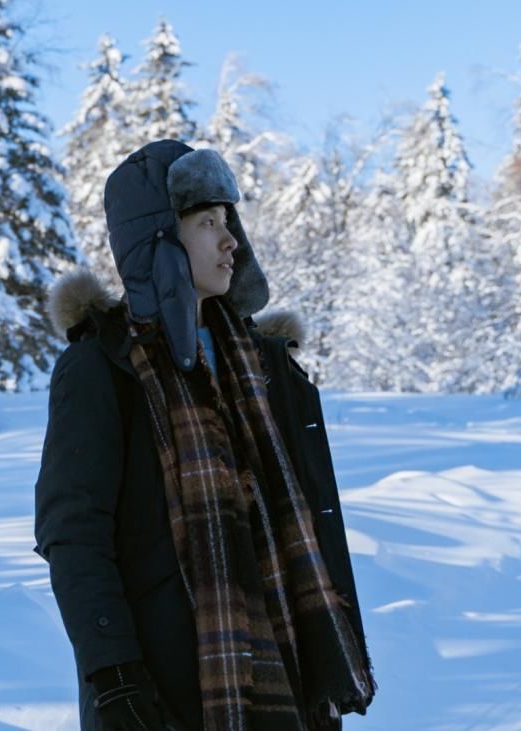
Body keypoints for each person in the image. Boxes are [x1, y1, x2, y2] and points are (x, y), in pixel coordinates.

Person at [34, 140, 376, 730]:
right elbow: (73, 533)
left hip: (284, 670)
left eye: (228, 221)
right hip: (167, 687)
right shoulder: (104, 367)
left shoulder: (264, 366)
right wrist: (113, 674)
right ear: (161, 238)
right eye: (207, 222)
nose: (231, 240)